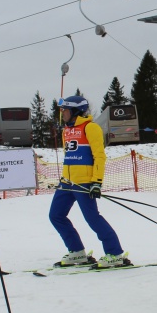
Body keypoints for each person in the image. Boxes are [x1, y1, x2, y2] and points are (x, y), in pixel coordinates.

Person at [49, 96, 128, 269]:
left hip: (84, 183)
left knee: (92, 218)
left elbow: (99, 156)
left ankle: (115, 254)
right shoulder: (66, 130)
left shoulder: (90, 128)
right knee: (56, 215)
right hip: (67, 182)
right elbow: (69, 156)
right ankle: (77, 251)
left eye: (65, 110)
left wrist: (96, 182)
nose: (62, 114)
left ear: (75, 111)